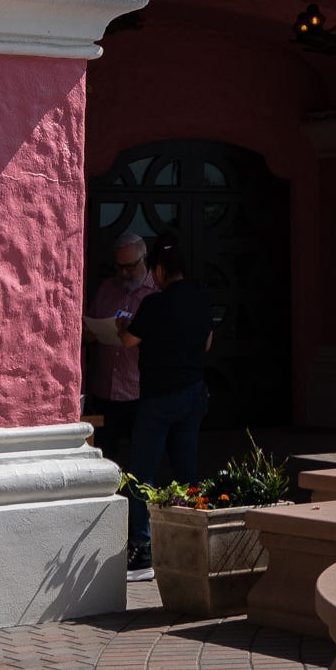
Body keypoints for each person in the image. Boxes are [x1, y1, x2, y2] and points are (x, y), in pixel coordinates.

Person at [117, 238, 214, 570]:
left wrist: (122, 326)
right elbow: (207, 343)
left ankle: (143, 544)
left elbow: (129, 340)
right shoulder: (201, 300)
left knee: (142, 473)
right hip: (193, 393)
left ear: (158, 270)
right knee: (186, 471)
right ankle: (192, 538)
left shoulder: (154, 304)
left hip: (159, 397)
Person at [84, 232, 153, 479]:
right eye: (119, 267)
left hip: (138, 389)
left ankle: (137, 504)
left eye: (130, 266)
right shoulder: (107, 288)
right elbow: (90, 327)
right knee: (105, 458)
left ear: (144, 259)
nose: (124, 273)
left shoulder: (155, 292)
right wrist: (90, 332)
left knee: (141, 462)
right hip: (105, 389)